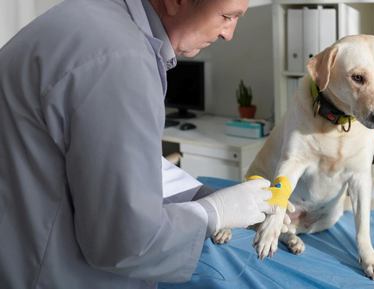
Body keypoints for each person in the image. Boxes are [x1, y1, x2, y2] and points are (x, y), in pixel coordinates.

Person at [0, 0, 279, 288]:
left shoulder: (90, 17)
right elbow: (125, 241)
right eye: (227, 16)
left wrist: (202, 194)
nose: (228, 34)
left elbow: (110, 157)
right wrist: (213, 213)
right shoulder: (121, 60)